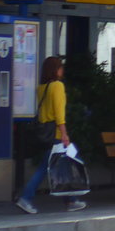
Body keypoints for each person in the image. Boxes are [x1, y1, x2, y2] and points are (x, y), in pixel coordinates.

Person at [15, 56, 86, 214]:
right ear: (56, 69)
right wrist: (65, 134)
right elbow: (59, 113)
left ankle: (70, 200)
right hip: (56, 134)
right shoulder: (57, 86)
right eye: (60, 67)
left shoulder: (41, 88)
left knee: (60, 165)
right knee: (49, 167)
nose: (62, 70)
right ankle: (26, 198)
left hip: (45, 133)